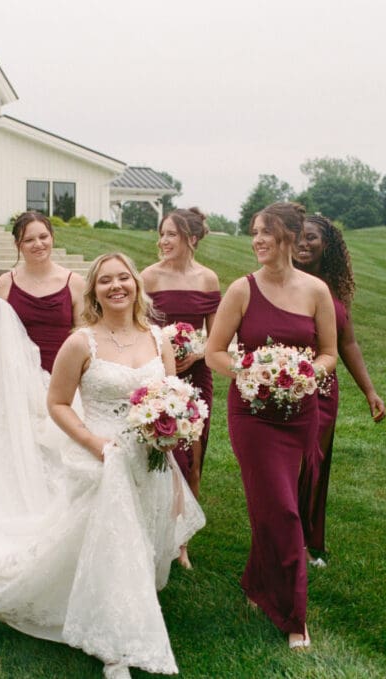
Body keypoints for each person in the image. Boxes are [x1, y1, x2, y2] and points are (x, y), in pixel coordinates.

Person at [0, 252, 204, 678]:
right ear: (93, 292)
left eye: (123, 278)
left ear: (136, 285)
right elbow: (58, 403)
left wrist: (171, 437)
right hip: (100, 455)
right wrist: (94, 443)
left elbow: (171, 396)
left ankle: (129, 601)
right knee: (109, 540)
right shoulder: (82, 342)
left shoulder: (157, 339)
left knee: (141, 532)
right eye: (105, 281)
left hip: (150, 456)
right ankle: (114, 647)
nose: (116, 286)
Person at [205, 202, 337, 651]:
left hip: (300, 413)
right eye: (254, 233)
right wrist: (253, 371)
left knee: (278, 506)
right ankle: (294, 616)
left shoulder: (317, 291)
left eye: (266, 232)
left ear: (290, 237)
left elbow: (328, 354)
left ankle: (256, 582)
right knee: (281, 509)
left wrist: (302, 372)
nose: (258, 240)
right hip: (253, 415)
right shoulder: (241, 290)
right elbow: (214, 352)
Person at [293, 214, 385, 563]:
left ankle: (306, 540)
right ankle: (289, 540)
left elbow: (348, 344)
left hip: (323, 390)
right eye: (298, 236)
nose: (303, 243)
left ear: (327, 244)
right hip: (287, 385)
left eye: (311, 237)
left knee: (313, 465)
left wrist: (369, 391)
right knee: (292, 467)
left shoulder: (334, 289)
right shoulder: (284, 282)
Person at [141, 207, 220, 569]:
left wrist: (197, 352)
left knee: (194, 458)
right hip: (159, 375)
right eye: (161, 234)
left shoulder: (208, 279)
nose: (163, 241)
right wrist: (166, 354)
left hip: (197, 376)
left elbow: (217, 335)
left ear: (192, 238)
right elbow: (140, 329)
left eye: (171, 234)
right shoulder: (149, 277)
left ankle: (183, 541)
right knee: (165, 455)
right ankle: (155, 528)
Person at [0, 210, 86, 372]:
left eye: (43, 237)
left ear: (52, 238)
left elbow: (84, 339)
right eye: (29, 240)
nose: (38, 244)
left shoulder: (75, 283)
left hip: (62, 375)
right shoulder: (5, 284)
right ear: (18, 244)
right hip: (17, 375)